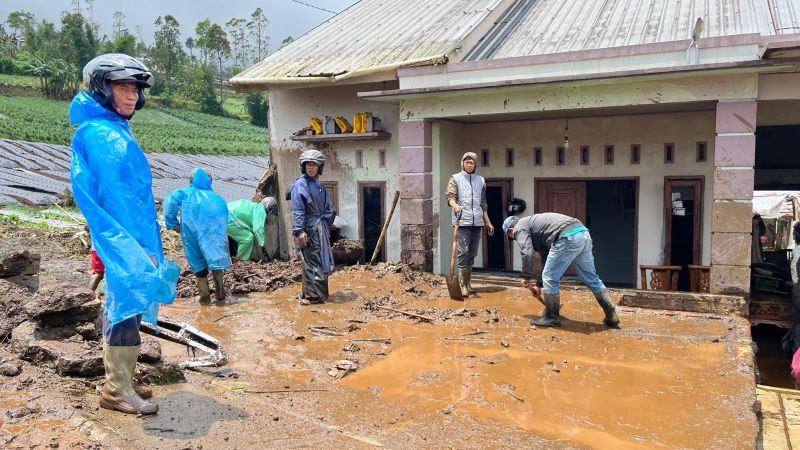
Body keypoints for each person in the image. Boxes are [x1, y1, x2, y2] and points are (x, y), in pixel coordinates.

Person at [70, 53, 179, 415]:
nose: (132, 95)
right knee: (124, 308)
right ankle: (116, 390)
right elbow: (117, 197)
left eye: (135, 88)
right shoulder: (103, 135)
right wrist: (135, 248)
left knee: (126, 306)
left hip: (128, 236)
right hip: (125, 237)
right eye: (122, 87)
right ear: (102, 89)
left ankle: (123, 381)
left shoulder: (111, 128)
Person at [502, 213, 620, 328]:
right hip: (583, 233)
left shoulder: (519, 227)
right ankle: (611, 315)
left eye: (512, 237)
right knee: (592, 279)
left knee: (550, 278)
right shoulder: (534, 227)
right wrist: (538, 285)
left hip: (567, 237)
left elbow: (526, 252)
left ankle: (551, 317)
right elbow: (546, 258)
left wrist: (526, 276)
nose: (515, 239)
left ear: (510, 231)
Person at [164, 167, 232, 304]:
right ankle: (220, 296)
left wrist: (173, 223)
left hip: (192, 233)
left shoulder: (185, 193)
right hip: (213, 235)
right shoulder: (218, 199)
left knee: (197, 261)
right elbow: (225, 218)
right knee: (216, 261)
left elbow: (170, 202)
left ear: (191, 180)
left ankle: (205, 298)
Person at [445, 152, 494, 296]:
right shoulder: (455, 178)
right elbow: (450, 197)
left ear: (475, 164)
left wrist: (488, 222)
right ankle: (462, 285)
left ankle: (467, 282)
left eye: (471, 163)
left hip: (477, 222)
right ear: (462, 163)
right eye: (466, 162)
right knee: (463, 252)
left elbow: (483, 203)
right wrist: (455, 205)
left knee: (472, 253)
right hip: (462, 221)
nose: (469, 165)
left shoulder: (481, 181)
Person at [290, 149, 334, 305]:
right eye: (308, 164)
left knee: (316, 261)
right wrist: (299, 231)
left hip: (319, 230)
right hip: (308, 231)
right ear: (303, 166)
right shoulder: (300, 185)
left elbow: (329, 209)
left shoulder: (320, 186)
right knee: (312, 262)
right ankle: (314, 297)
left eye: (314, 164)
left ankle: (313, 294)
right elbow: (297, 210)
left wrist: (326, 225)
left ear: (319, 167)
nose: (311, 167)